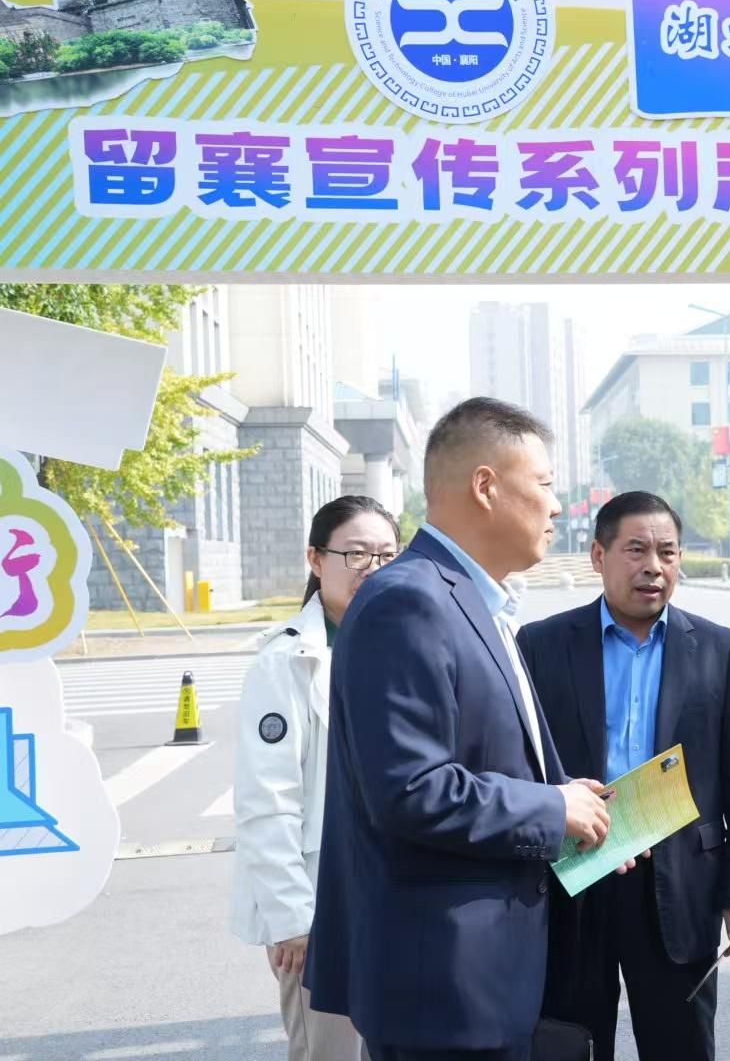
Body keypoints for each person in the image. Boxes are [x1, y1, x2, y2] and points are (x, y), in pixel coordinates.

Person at [307, 398, 632, 1061]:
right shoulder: (409, 600)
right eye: (544, 484)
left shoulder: (471, 600)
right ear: (486, 486)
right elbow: (410, 789)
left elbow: (479, 761)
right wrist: (551, 808)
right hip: (441, 991)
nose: (557, 506)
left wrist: (572, 805)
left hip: (483, 978)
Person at [518, 492, 730, 1061]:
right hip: (576, 875)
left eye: (667, 552)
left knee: (680, 1045)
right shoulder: (542, 645)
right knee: (570, 1043)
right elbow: (520, 764)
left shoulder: (718, 649)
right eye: (635, 550)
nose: (653, 567)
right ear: (598, 556)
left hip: (678, 883)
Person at [231, 495, 399, 1061]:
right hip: (320, 904)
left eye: (386, 555)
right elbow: (267, 799)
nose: (372, 568)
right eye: (356, 554)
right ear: (315, 559)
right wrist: (293, 919)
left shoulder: (404, 646)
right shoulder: (285, 663)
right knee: (331, 1052)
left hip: (393, 892)